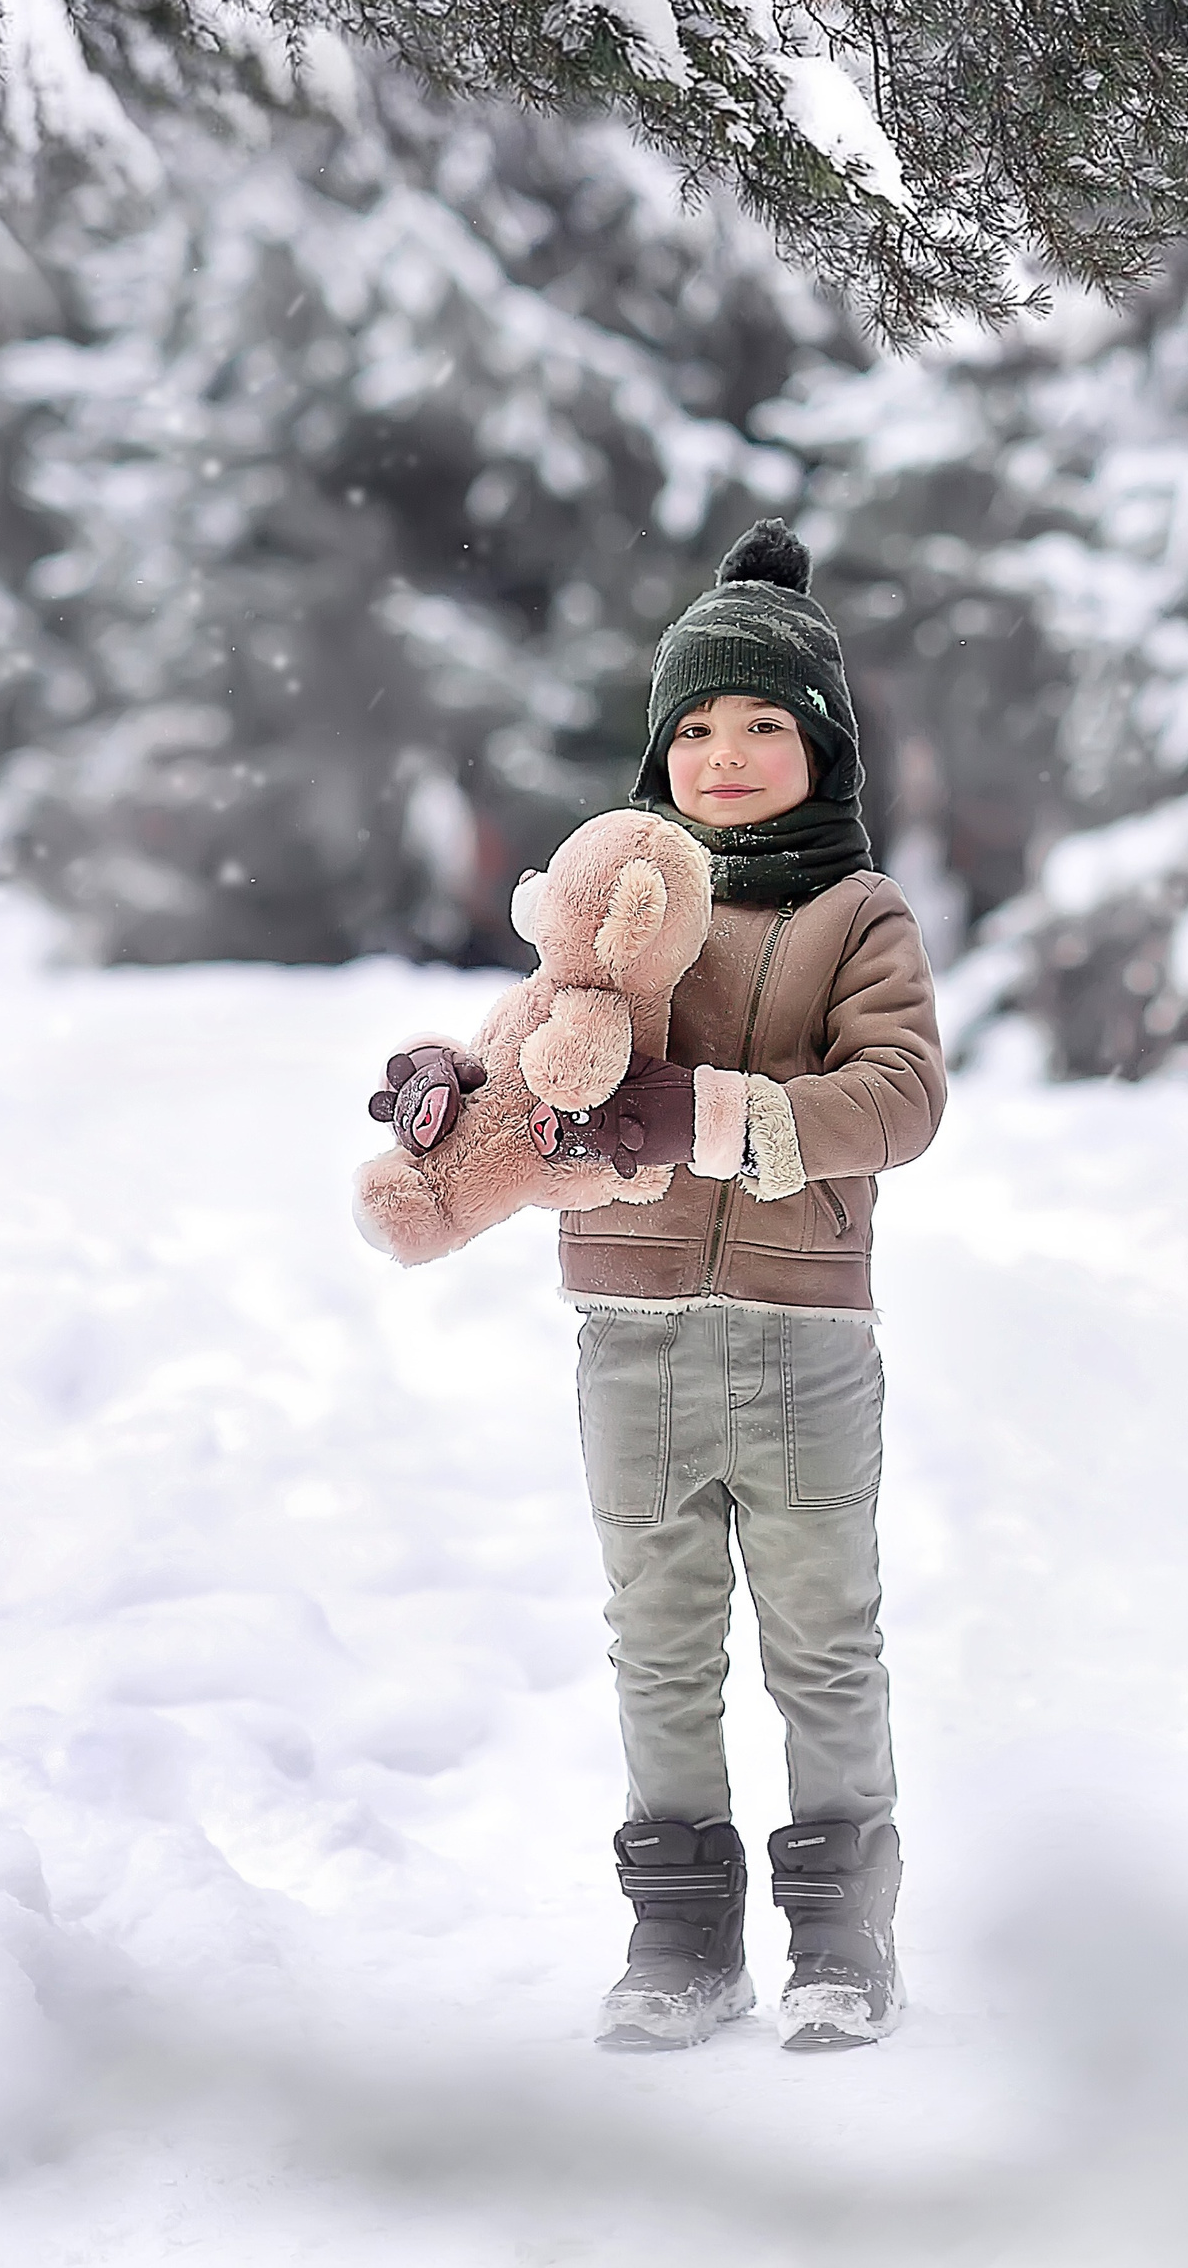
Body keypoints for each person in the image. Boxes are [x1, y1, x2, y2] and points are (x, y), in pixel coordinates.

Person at [378, 518, 945, 2055]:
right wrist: (453, 1083)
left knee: (823, 1635)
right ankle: (680, 1936)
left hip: (801, 1335)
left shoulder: (857, 919)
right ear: (658, 754)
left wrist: (717, 1116)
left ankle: (845, 1933)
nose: (728, 753)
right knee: (660, 1634)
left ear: (824, 748)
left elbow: (900, 1098)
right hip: (627, 1334)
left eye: (765, 723)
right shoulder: (622, 910)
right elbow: (533, 1057)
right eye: (696, 727)